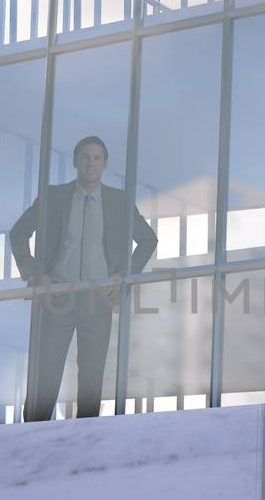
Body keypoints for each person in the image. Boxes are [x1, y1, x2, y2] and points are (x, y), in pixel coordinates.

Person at [9, 135, 158, 421]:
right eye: (86, 157)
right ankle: (32, 431)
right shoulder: (54, 196)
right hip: (57, 296)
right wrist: (35, 274)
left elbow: (148, 240)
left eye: (97, 158)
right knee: (46, 371)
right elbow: (18, 233)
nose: (91, 163)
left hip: (97, 297)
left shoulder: (119, 201)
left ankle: (86, 432)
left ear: (104, 165)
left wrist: (124, 277)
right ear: (76, 162)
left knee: (91, 374)